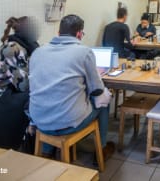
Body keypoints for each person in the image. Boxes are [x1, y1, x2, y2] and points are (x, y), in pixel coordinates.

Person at [29, 15, 114, 159]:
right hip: (67, 122)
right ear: (79, 34)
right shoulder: (84, 52)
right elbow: (97, 90)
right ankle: (102, 149)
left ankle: (46, 152)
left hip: (39, 120)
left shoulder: (38, 52)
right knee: (103, 102)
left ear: (58, 33)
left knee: (53, 100)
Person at [0, 16, 39, 149]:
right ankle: (18, 151)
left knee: (35, 101)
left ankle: (31, 148)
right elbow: (24, 86)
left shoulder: (19, 46)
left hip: (1, 97)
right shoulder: (14, 49)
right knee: (34, 103)